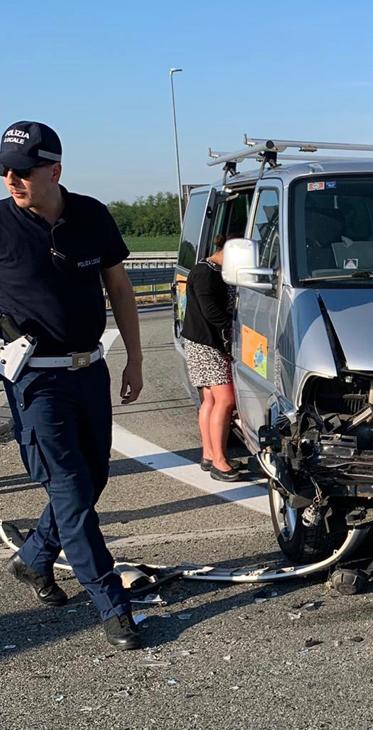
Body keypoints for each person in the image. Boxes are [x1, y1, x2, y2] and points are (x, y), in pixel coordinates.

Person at [0, 121, 145, 650]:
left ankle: (36, 557)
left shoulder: (92, 215)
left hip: (89, 371)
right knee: (69, 489)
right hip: (35, 381)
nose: (11, 179)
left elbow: (121, 289)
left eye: (22, 170)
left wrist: (134, 358)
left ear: (54, 170)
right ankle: (111, 603)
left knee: (94, 476)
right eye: (4, 170)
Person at [180, 234, 241, 482]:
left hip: (202, 342)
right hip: (206, 343)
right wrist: (234, 330)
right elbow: (211, 311)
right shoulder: (205, 272)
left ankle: (209, 453)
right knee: (225, 398)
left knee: (209, 399)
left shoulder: (212, 270)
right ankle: (219, 461)